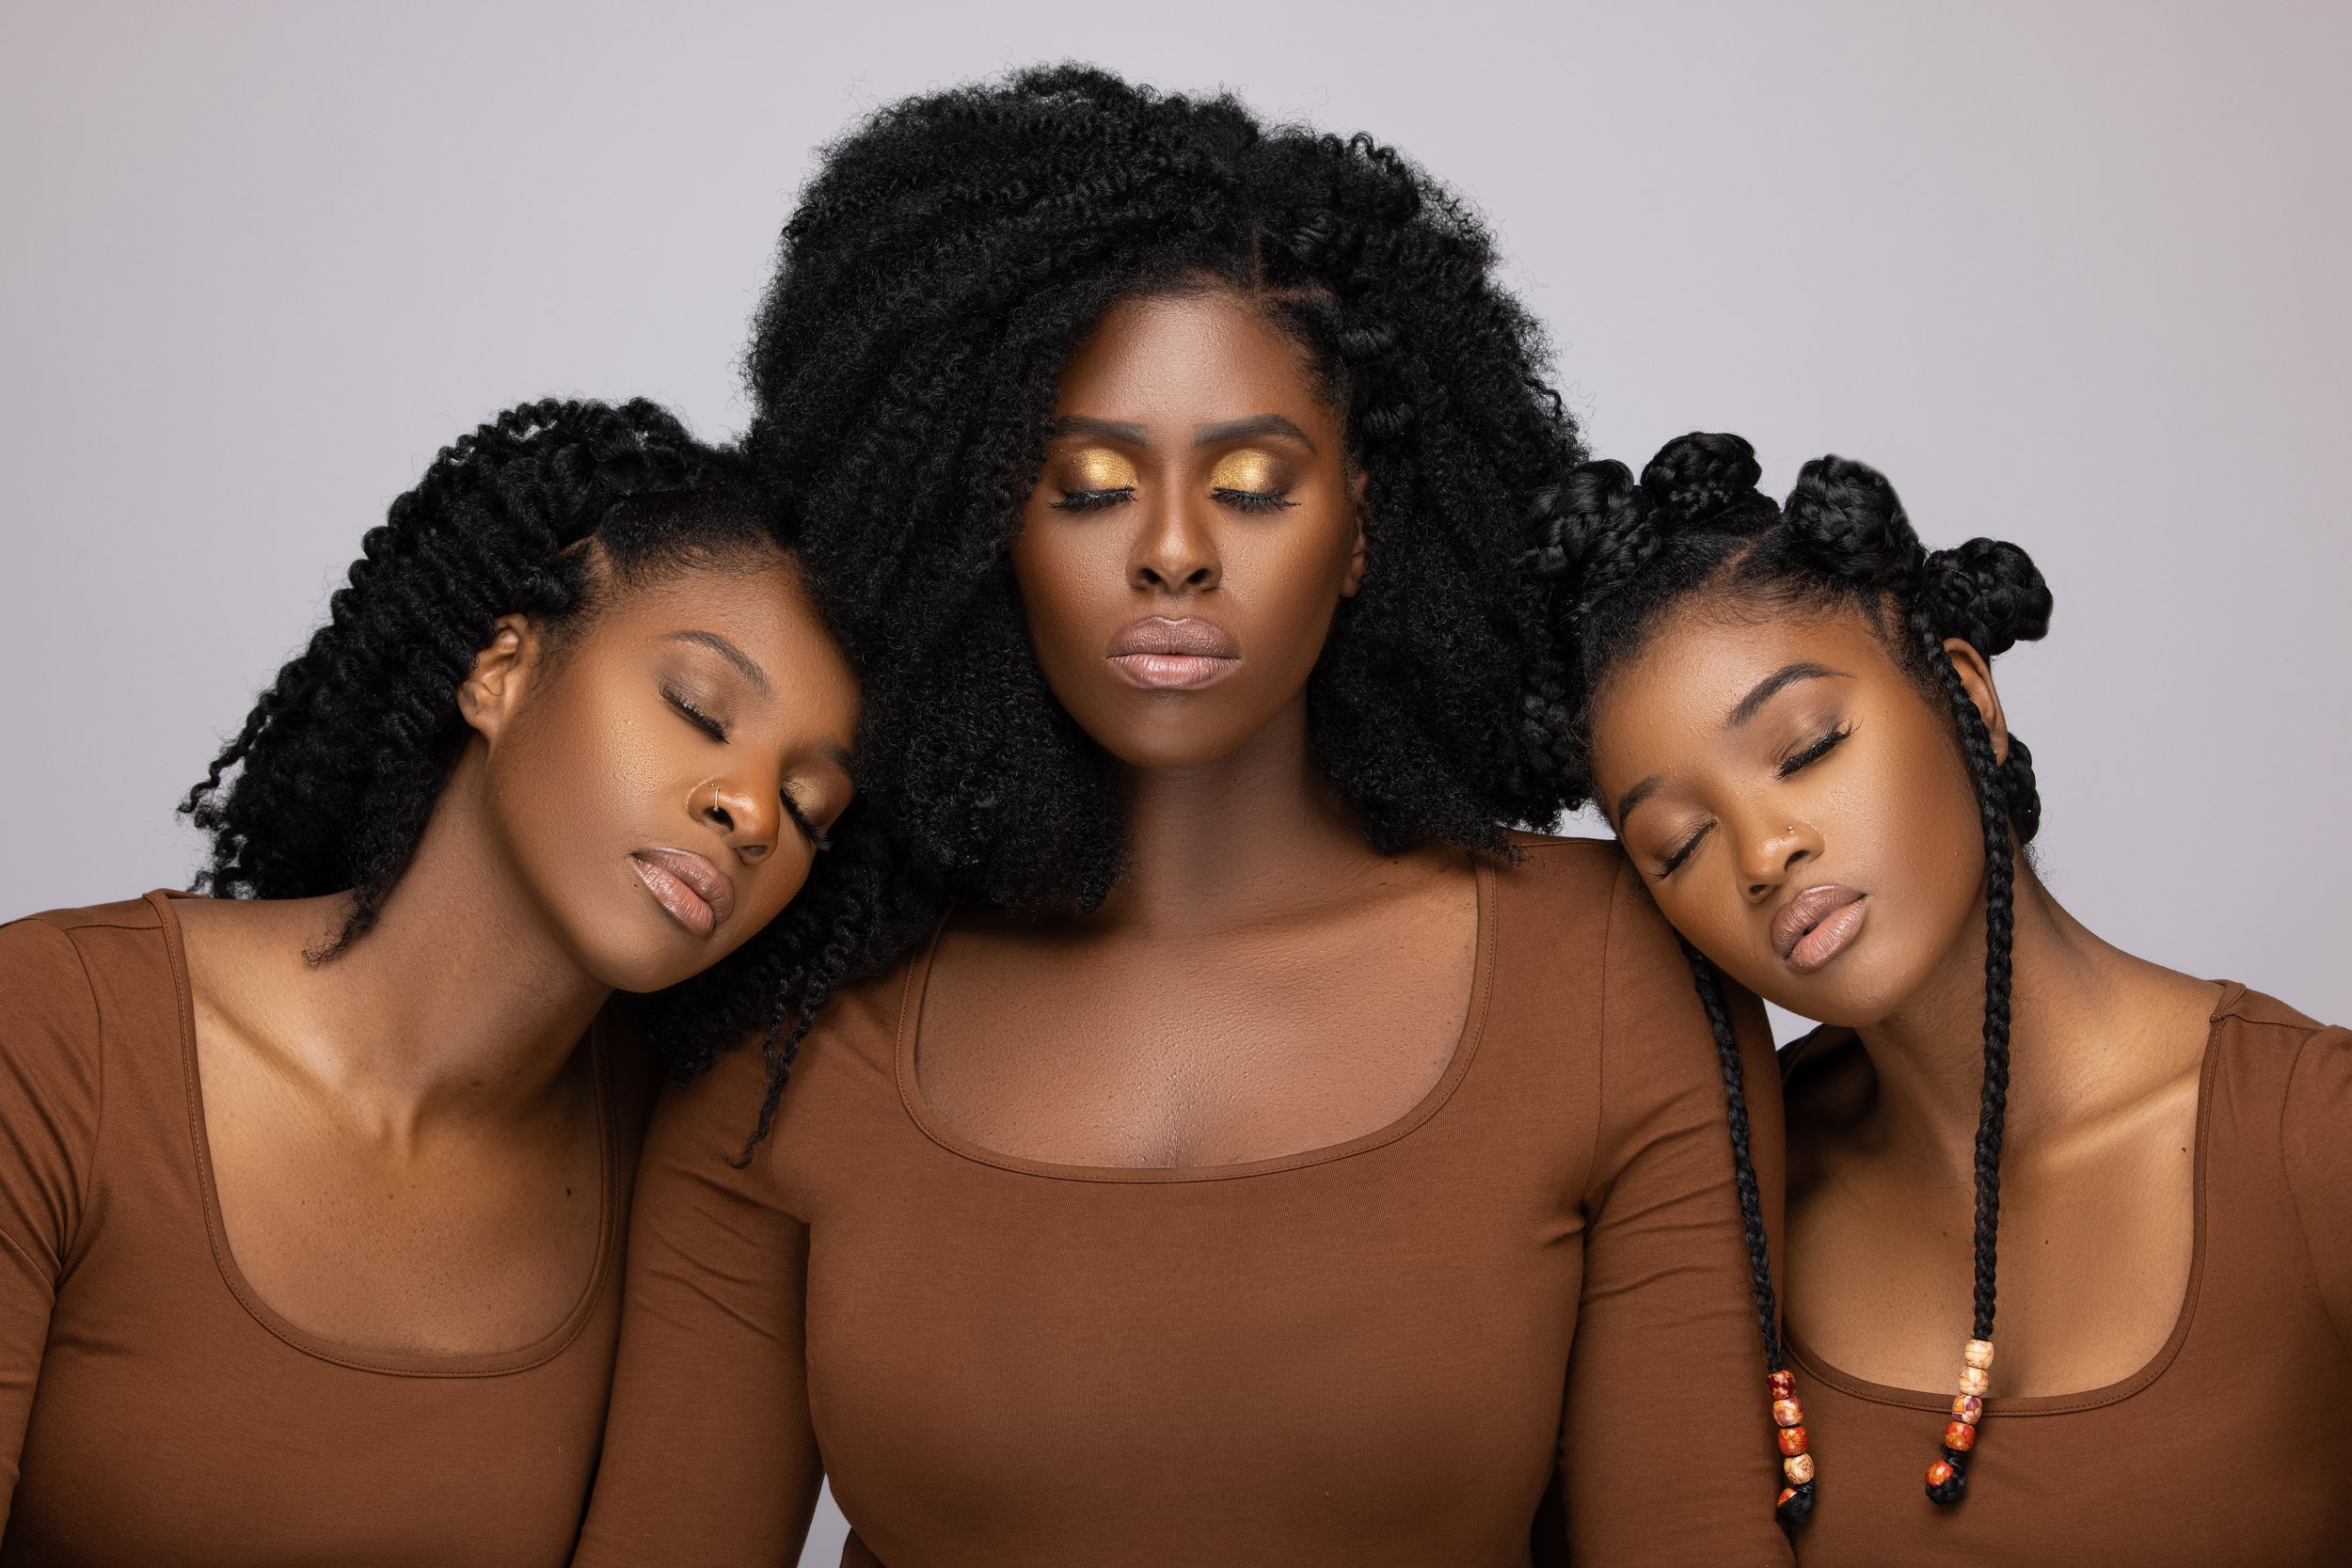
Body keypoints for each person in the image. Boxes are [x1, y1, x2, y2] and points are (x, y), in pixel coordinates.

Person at [576, 69, 1794, 1566]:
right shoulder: (796, 1002)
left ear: (1363, 529)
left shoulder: (1610, 976)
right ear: (981, 526)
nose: (1169, 552)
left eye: (1252, 486)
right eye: (1087, 486)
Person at [0, 398, 885, 1564]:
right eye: (697, 710)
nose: (752, 812)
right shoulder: (58, 1030)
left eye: (811, 809)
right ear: (501, 668)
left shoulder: (682, 1177)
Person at [1534, 431, 2352, 1563]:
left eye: (1807, 746)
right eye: (1677, 845)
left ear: (1966, 692)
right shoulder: (1717, 1197)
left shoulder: (2312, 1136)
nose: (1765, 853)